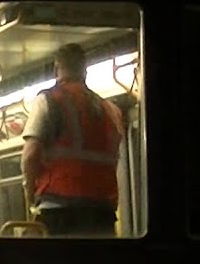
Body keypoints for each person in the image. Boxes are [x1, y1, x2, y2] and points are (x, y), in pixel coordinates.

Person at [21, 43, 126, 237]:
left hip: (59, 209)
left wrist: (29, 193)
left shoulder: (49, 101)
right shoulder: (110, 109)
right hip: (102, 211)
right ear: (85, 71)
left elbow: (30, 155)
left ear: (56, 69)